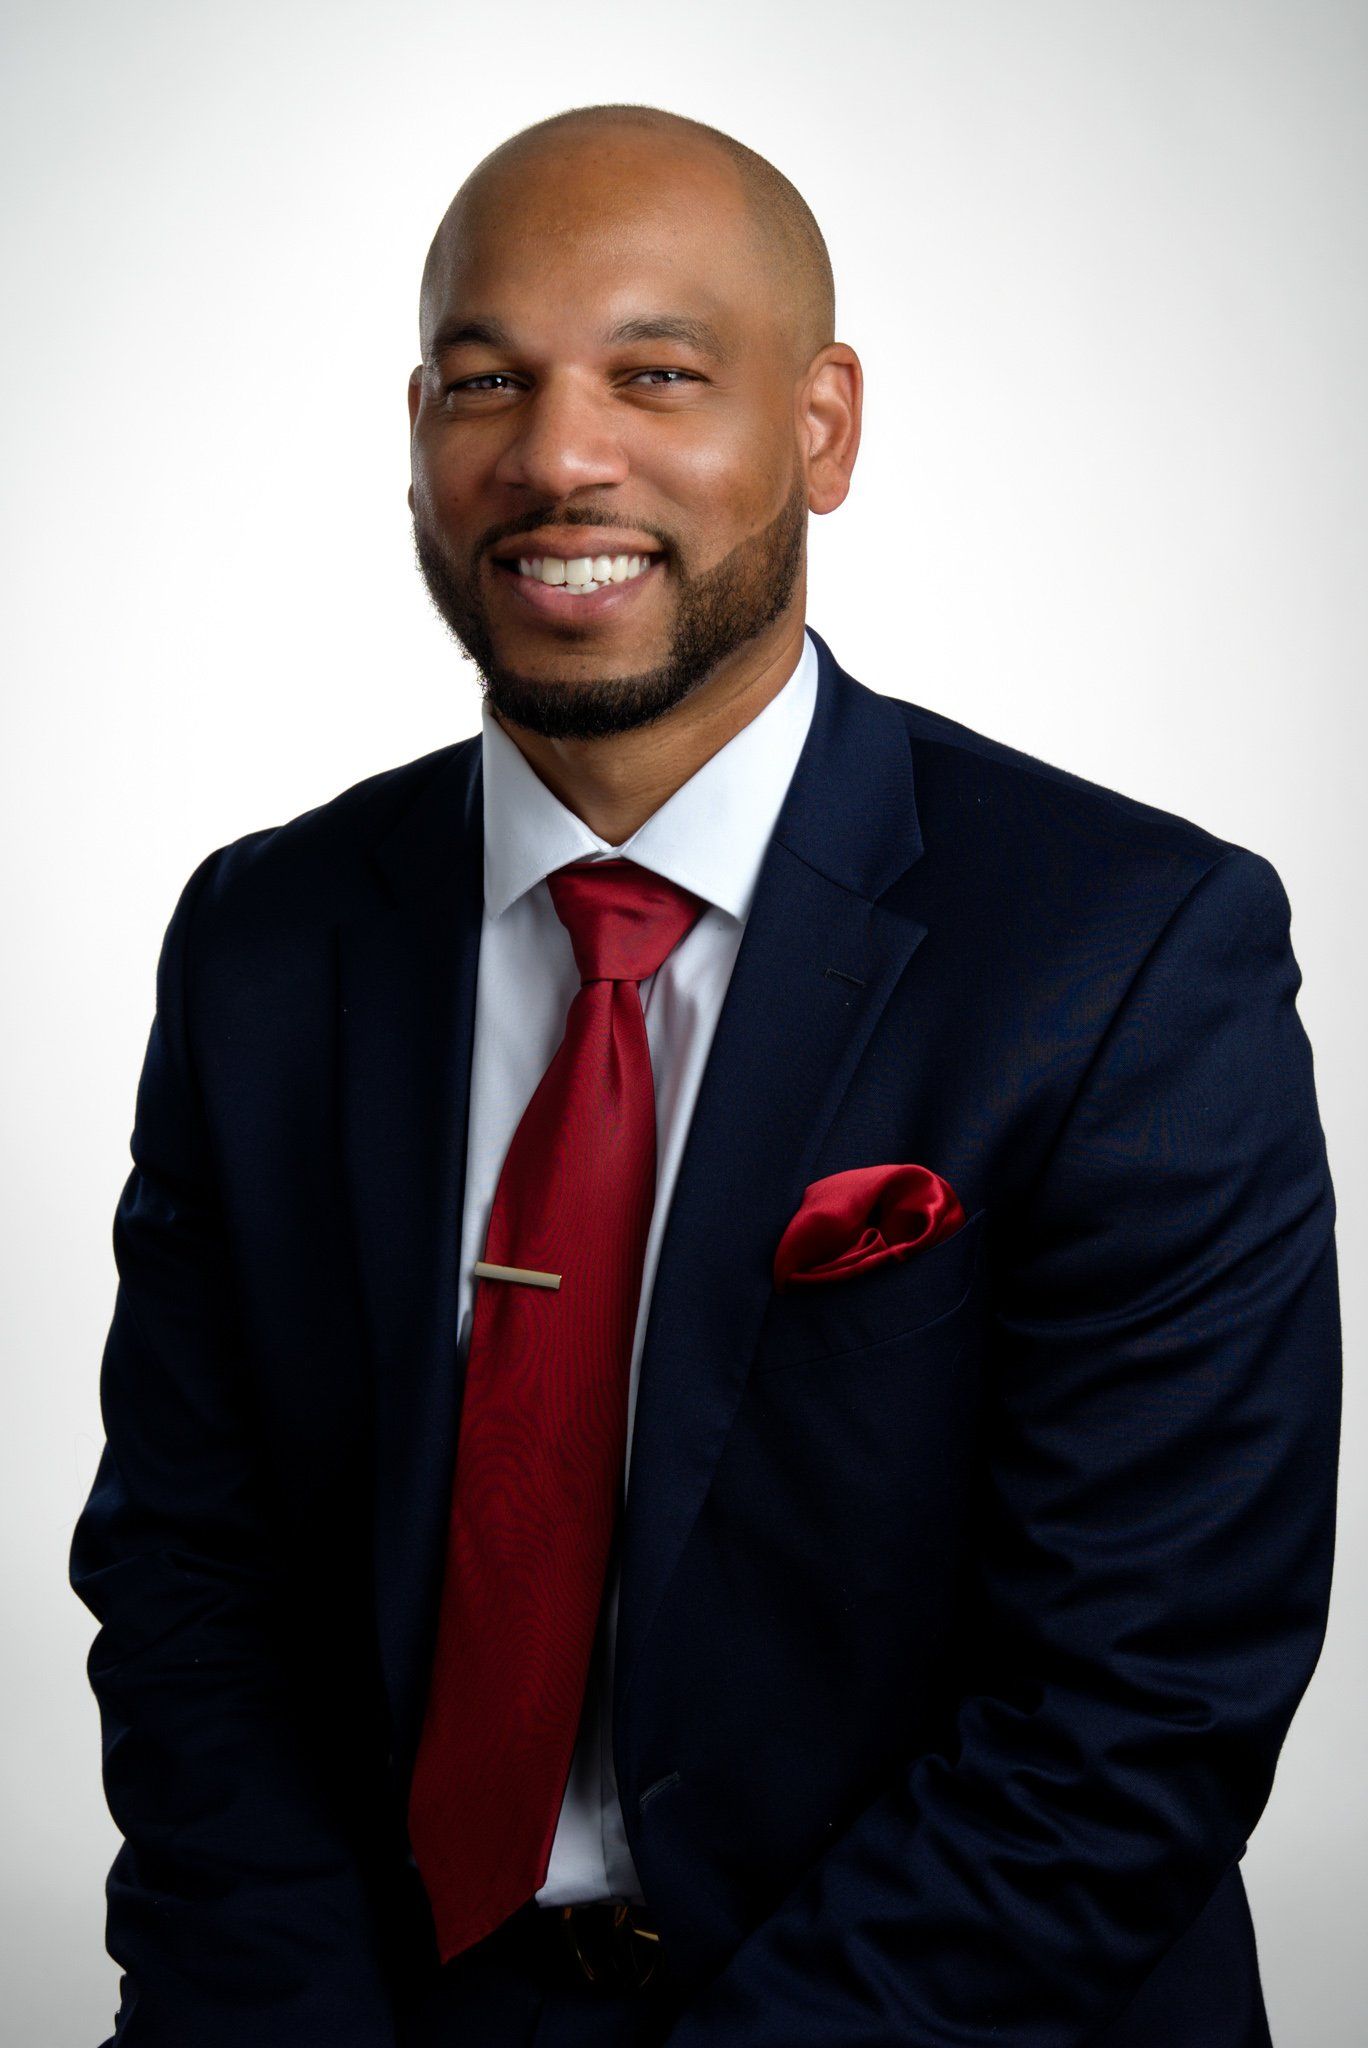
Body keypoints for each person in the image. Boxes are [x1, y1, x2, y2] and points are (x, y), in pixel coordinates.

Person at [70, 102, 1340, 2048]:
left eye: (656, 375)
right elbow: (193, 1589)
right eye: (488, 380)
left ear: (821, 421)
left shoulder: (1129, 949)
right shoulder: (267, 940)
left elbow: (1132, 1707)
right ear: (419, 425)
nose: (559, 454)